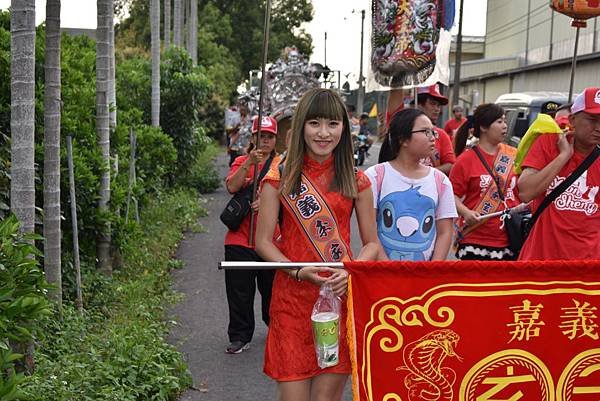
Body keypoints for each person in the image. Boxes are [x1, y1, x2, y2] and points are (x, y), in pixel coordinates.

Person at [255, 88, 380, 401]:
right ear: (300, 128)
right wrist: (298, 271)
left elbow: (372, 244)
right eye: (314, 124)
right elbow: (262, 242)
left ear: (344, 128)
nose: (324, 133)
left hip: (337, 299)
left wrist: (352, 270)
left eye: (332, 124)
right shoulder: (278, 179)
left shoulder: (356, 180)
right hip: (291, 301)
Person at [518, 87, 600, 260]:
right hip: (540, 262)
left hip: (587, 269)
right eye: (592, 119)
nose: (598, 127)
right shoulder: (550, 142)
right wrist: (563, 156)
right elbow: (526, 192)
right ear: (573, 119)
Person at [223, 116, 282, 354]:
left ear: (275, 139)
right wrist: (249, 162)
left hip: (271, 239)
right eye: (261, 136)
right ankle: (239, 335)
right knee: (239, 292)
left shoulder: (283, 163)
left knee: (273, 291)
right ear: (253, 138)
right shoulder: (241, 160)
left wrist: (268, 204)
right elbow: (232, 187)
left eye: (269, 137)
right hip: (239, 239)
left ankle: (277, 329)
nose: (265, 141)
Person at [367, 108, 456, 261]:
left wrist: (432, 270)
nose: (433, 137)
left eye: (433, 132)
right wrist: (386, 267)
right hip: (381, 274)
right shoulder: (375, 176)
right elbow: (369, 229)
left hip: (423, 277)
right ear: (403, 139)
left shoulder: (440, 181)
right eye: (425, 132)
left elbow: (445, 232)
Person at [450, 104, 522, 260]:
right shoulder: (465, 161)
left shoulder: (514, 155)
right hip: (476, 238)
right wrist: (465, 212)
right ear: (483, 127)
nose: (505, 126)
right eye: (499, 121)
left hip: (511, 237)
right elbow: (451, 195)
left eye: (504, 121)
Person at [385, 84, 456, 175]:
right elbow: (396, 91)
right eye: (433, 104)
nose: (437, 109)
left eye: (438, 106)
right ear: (419, 104)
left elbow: (450, 164)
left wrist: (424, 174)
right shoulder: (402, 126)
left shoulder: (441, 134)